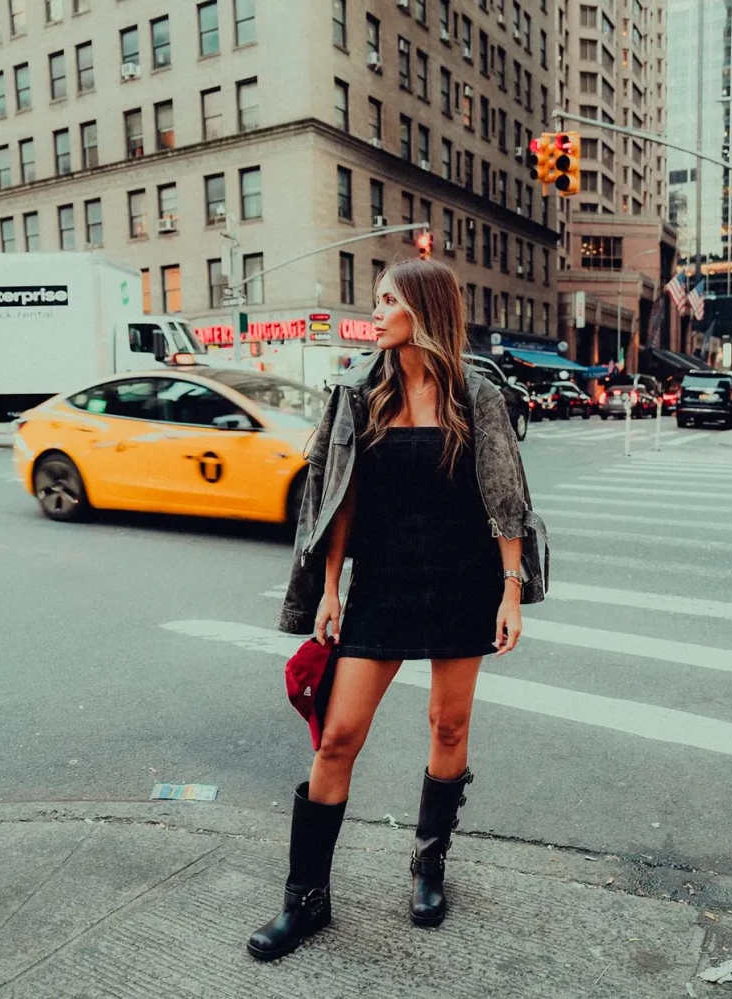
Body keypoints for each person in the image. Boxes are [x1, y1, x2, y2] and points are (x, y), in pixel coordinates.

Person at [247, 259, 547, 962]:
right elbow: (336, 497)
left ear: (424, 308)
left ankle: (428, 864)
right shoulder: (359, 393)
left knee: (448, 724)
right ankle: (306, 900)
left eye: (388, 299)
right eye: (377, 298)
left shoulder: (477, 396)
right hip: (382, 585)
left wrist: (509, 592)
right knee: (337, 736)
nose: (376, 311)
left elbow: (505, 500)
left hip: (461, 581)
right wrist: (330, 588)